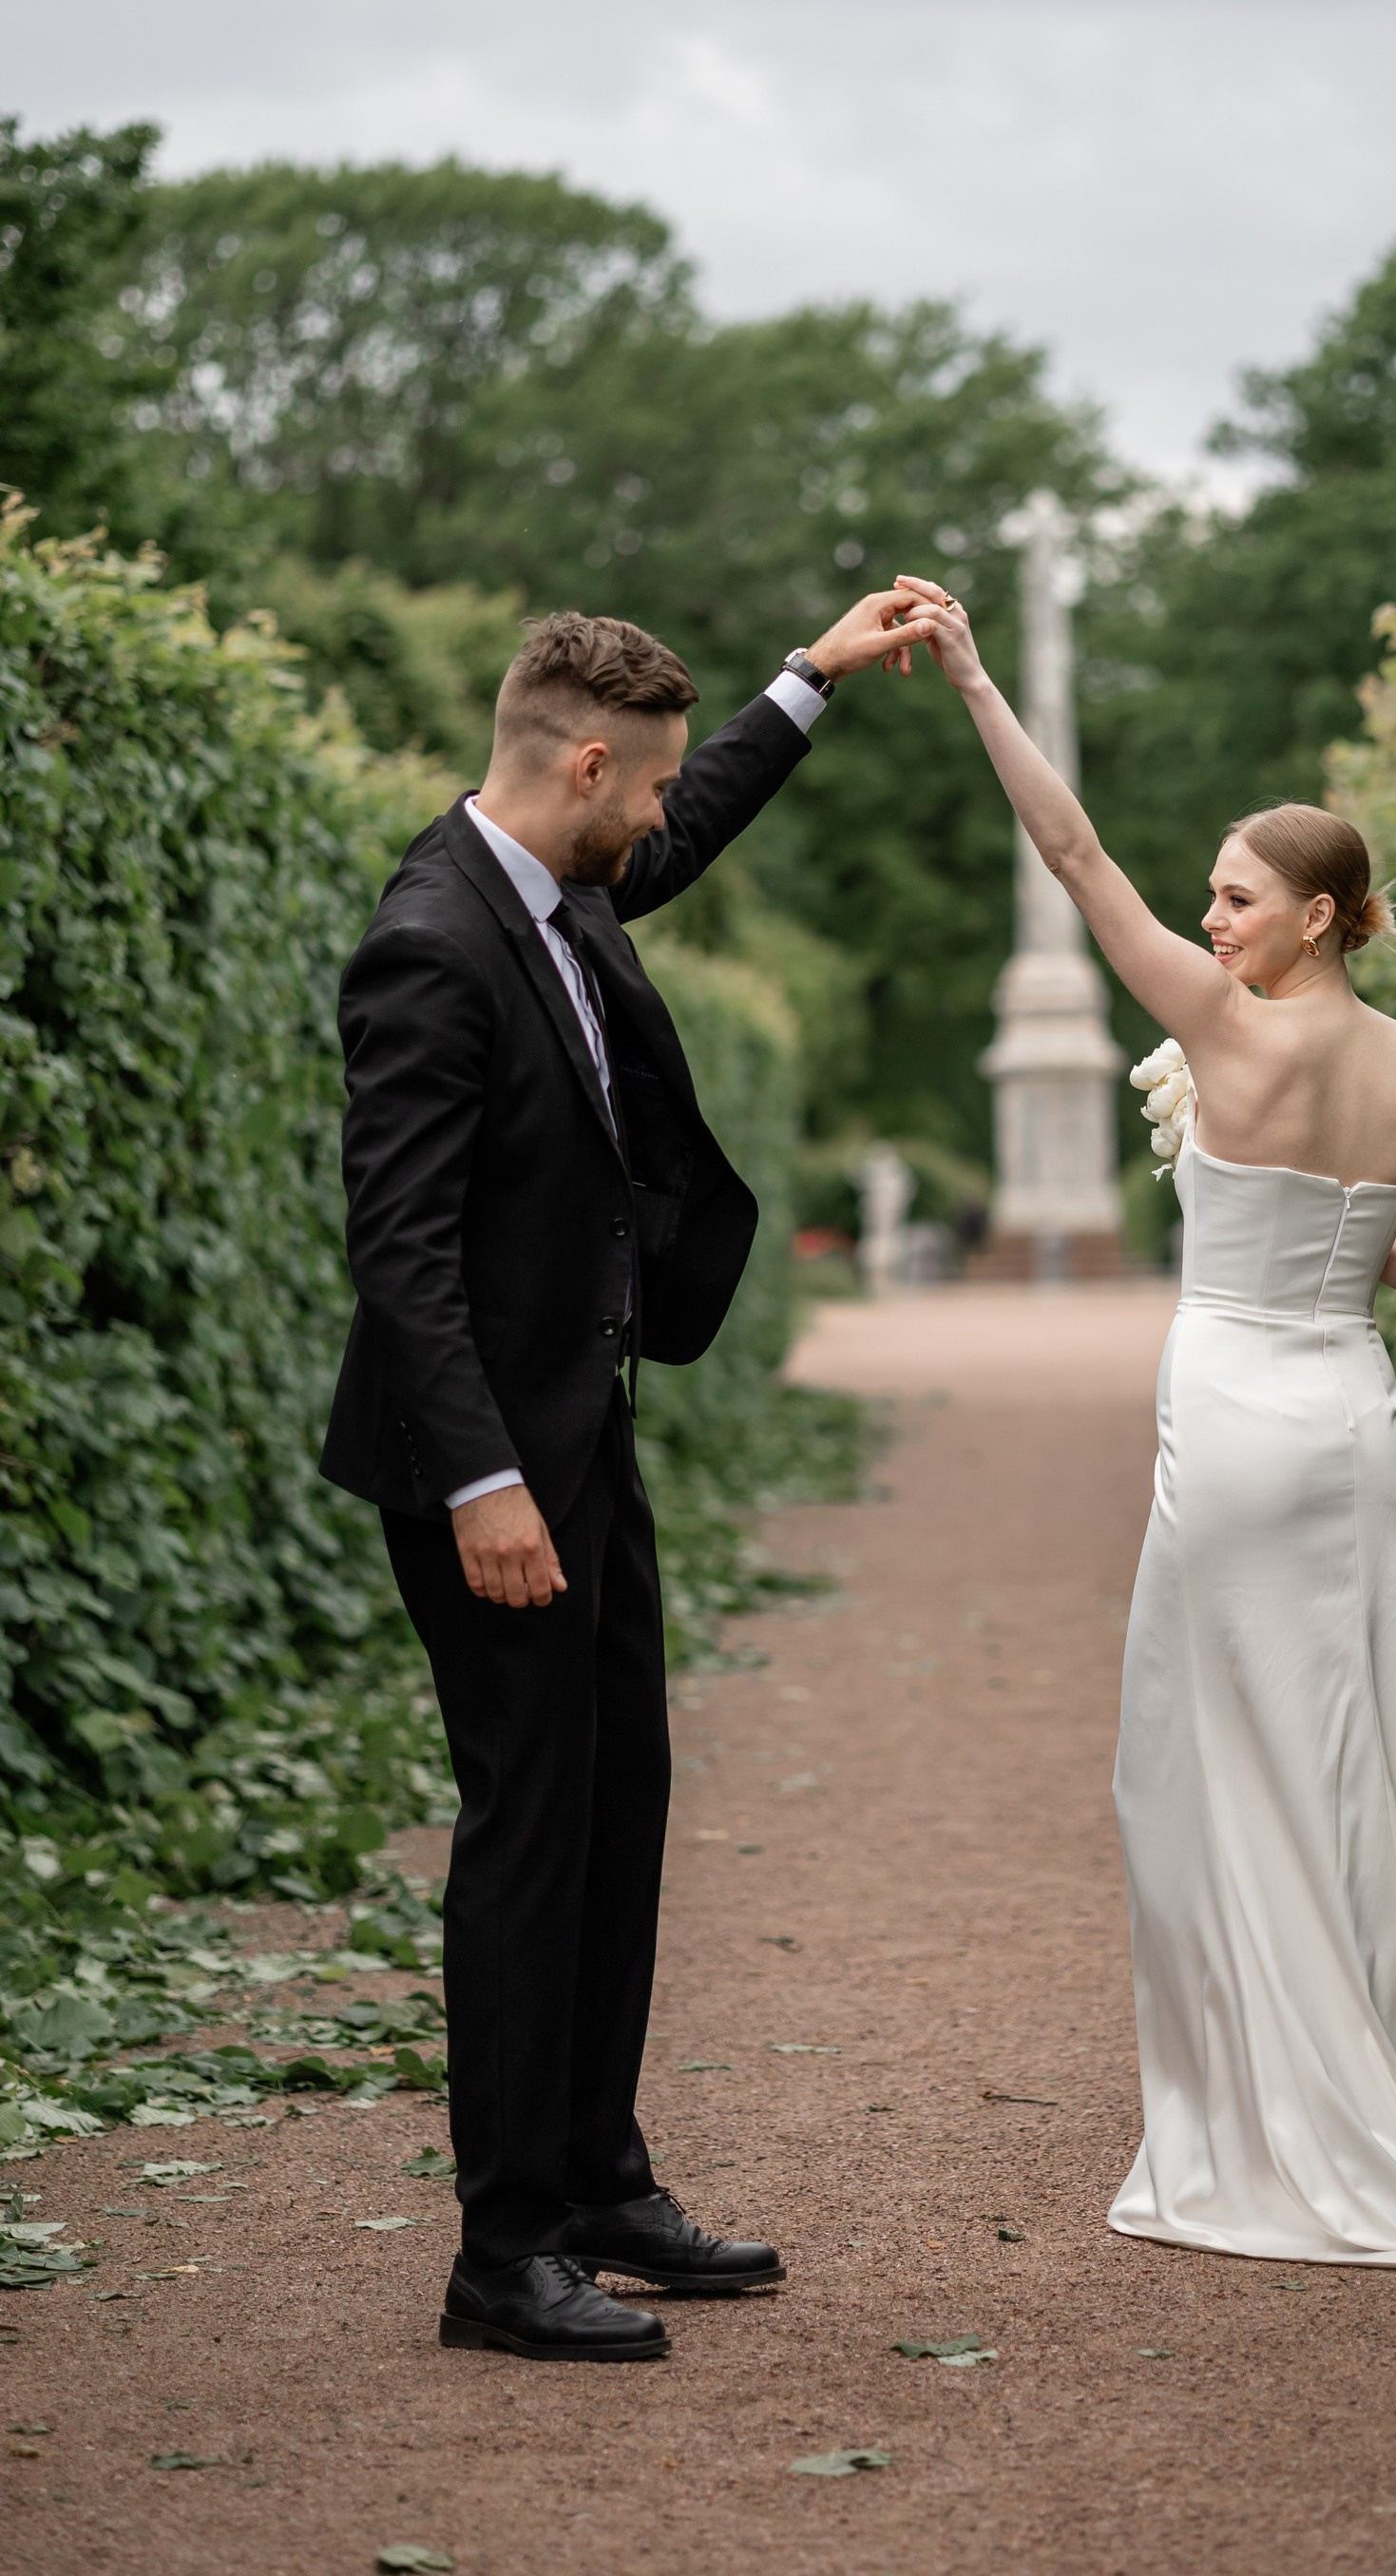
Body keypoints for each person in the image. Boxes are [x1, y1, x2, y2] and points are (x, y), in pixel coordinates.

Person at [893, 574, 1396, 2270]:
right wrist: (1342, 1243)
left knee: (1205, 1774)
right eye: (1209, 900)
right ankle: (1383, 2106)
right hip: (1359, 1422)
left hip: (1241, 1418)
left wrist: (975, 678)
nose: (1211, 925)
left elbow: (1070, 857)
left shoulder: (1221, 1034)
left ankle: (1274, 2126)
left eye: (1239, 899)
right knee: (1346, 1768)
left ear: (1324, 915)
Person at [320, 597, 918, 2360]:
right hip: (485, 1474)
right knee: (527, 1833)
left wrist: (805, 680)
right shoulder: (430, 941)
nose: (659, 820)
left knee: (622, 1802)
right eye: (642, 790)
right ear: (585, 766)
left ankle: (593, 2175)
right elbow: (400, 1252)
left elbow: (695, 811)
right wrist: (484, 1483)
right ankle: (499, 2256)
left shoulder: (564, 889)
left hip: (589, 1439)